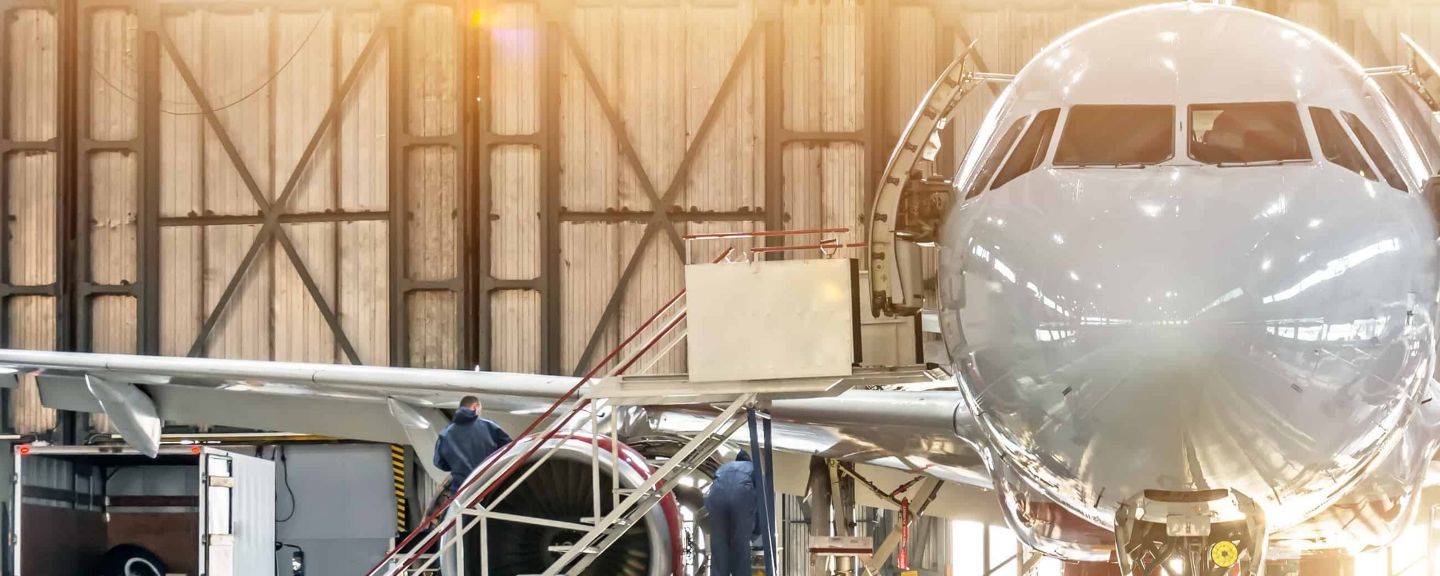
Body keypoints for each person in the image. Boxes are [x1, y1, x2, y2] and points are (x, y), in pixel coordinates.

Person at [433, 396, 513, 491]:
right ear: (475, 407)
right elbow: (510, 450)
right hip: (491, 488)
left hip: (462, 492)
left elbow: (439, 463)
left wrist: (457, 466)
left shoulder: (445, 434)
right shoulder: (491, 427)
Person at [704, 450, 761, 576]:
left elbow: (711, 491)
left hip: (717, 500)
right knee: (740, 550)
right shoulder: (754, 468)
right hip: (740, 498)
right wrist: (756, 532)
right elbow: (761, 504)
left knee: (719, 550)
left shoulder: (723, 467)